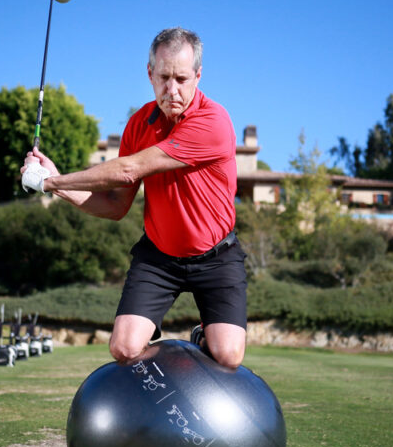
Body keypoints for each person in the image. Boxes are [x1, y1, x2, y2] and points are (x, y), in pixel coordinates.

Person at [20, 27, 247, 369]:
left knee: (227, 355)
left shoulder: (212, 121)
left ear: (198, 76)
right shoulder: (139, 125)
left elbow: (129, 169)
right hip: (159, 258)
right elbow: (114, 206)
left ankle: (204, 334)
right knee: (124, 348)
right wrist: (55, 186)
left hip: (216, 257)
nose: (172, 89)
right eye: (164, 77)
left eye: (182, 78)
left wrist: (51, 181)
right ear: (149, 73)